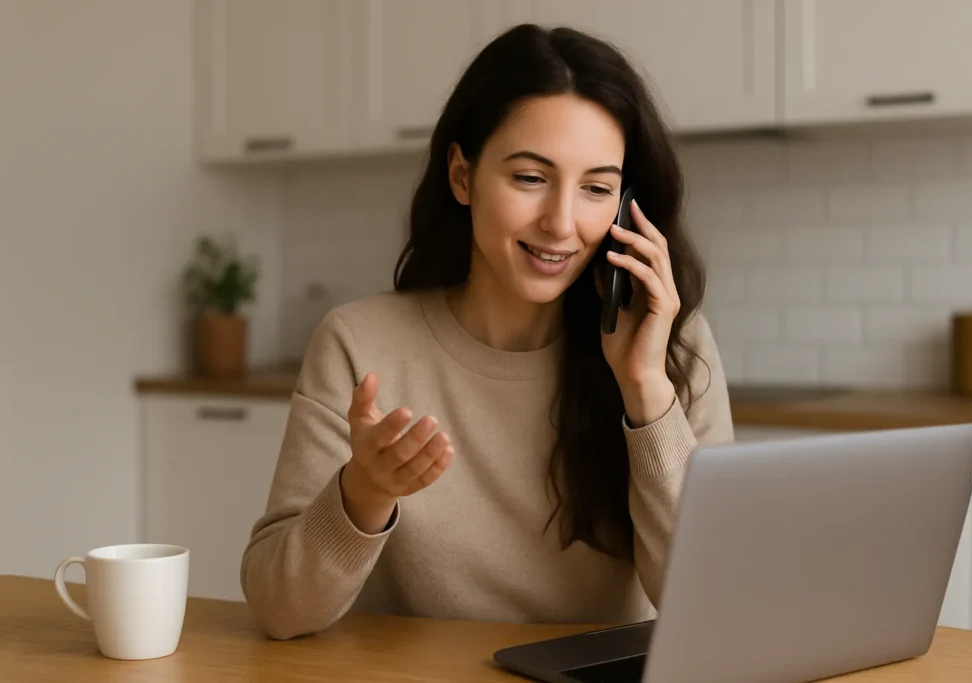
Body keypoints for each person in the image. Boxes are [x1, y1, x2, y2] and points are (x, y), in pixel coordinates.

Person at [239, 22, 734, 641]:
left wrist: (645, 391)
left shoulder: (670, 347)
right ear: (462, 176)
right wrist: (362, 493)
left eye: (597, 189)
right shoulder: (359, 344)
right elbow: (277, 611)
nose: (561, 223)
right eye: (530, 178)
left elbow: (714, 603)